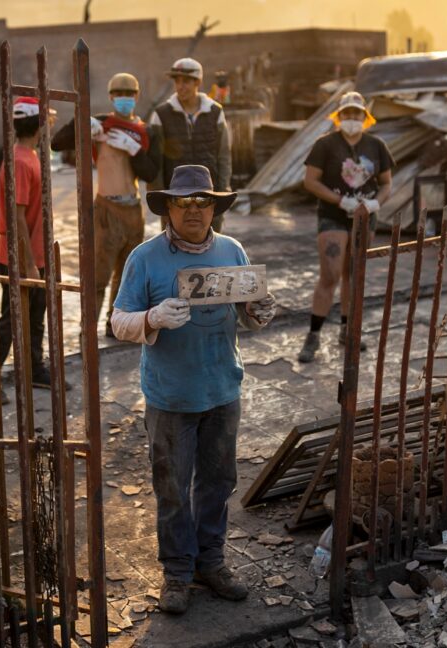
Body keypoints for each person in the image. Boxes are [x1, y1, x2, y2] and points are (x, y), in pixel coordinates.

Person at [110, 164, 276, 614]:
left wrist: (261, 309)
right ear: (168, 208)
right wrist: (151, 318)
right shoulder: (145, 258)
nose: (194, 210)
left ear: (214, 208)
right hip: (170, 397)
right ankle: (177, 573)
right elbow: (116, 321)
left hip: (222, 388)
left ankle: (212, 562)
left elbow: (249, 312)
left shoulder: (232, 250)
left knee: (218, 483)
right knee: (172, 488)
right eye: (183, 202)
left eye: (203, 201)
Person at [52, 72, 158, 338]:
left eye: (129, 94)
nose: (124, 99)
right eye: (119, 94)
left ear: (137, 96)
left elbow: (150, 173)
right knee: (98, 275)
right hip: (106, 209)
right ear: (111, 97)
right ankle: (87, 328)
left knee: (126, 275)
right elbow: (57, 144)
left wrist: (135, 150)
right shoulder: (102, 124)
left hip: (133, 210)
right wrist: (81, 122)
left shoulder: (144, 131)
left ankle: (115, 324)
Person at [298, 91, 393, 363]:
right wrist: (341, 201)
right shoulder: (325, 145)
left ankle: (347, 330)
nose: (352, 118)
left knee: (354, 274)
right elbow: (311, 181)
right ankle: (313, 335)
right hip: (333, 215)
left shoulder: (377, 146)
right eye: (347, 113)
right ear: (339, 116)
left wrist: (376, 204)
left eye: (357, 113)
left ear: (365, 117)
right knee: (330, 274)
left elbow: (386, 182)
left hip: (366, 217)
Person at [0, 97, 58, 388]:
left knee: (35, 317)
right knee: (11, 320)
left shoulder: (30, 154)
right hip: (21, 257)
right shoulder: (20, 161)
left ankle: (35, 370)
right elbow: (16, 215)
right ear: (38, 125)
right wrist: (30, 263)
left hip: (35, 255)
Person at [149, 58, 232, 231]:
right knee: (174, 251)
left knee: (211, 250)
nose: (180, 86)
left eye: (186, 81)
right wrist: (162, 201)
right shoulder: (161, 114)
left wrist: (223, 190)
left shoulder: (215, 112)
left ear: (198, 82)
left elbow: (223, 155)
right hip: (176, 200)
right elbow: (156, 163)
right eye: (177, 81)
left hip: (209, 198)